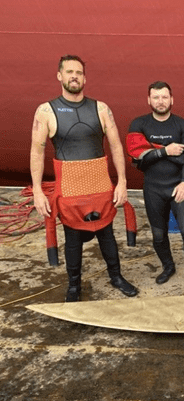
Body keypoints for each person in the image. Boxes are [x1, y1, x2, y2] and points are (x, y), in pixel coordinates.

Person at [30, 55, 138, 302]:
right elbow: (36, 151)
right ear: (60, 76)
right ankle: (74, 285)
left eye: (78, 72)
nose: (74, 76)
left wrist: (122, 182)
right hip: (70, 187)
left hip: (100, 184)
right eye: (69, 72)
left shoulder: (100, 108)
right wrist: (37, 190)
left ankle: (116, 277)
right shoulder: (46, 111)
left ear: (85, 77)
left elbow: (116, 146)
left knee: (107, 234)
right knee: (73, 238)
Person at [126, 81, 184, 304]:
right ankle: (168, 266)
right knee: (158, 236)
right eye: (156, 97)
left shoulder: (182, 125)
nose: (160, 101)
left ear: (172, 99)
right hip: (153, 189)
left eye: (164, 97)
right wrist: (166, 151)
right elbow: (137, 160)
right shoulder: (139, 124)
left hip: (179, 187)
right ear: (148, 100)